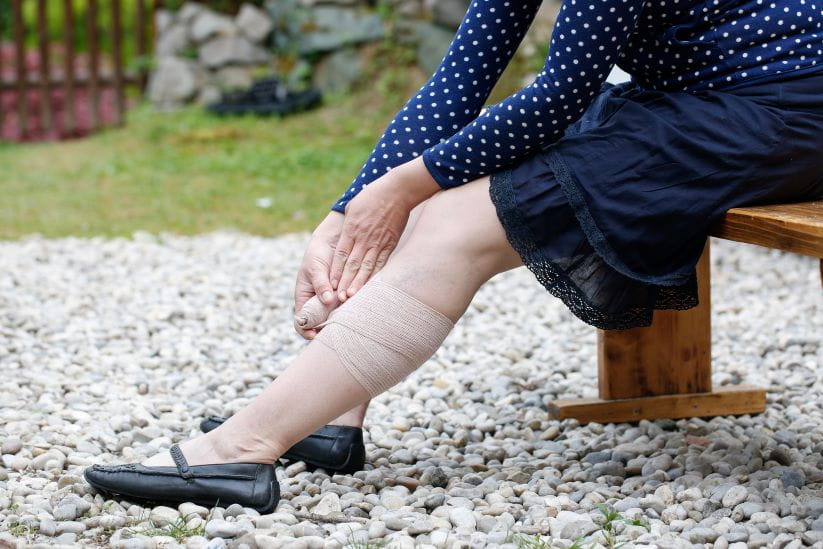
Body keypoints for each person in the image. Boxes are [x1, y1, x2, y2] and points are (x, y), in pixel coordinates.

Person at [84, 0, 823, 512]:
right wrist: (349, 210)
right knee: (429, 196)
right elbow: (456, 84)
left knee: (451, 222)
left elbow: (558, 96)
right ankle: (331, 419)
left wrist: (401, 191)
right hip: (706, 101)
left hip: (783, 111)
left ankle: (241, 449)